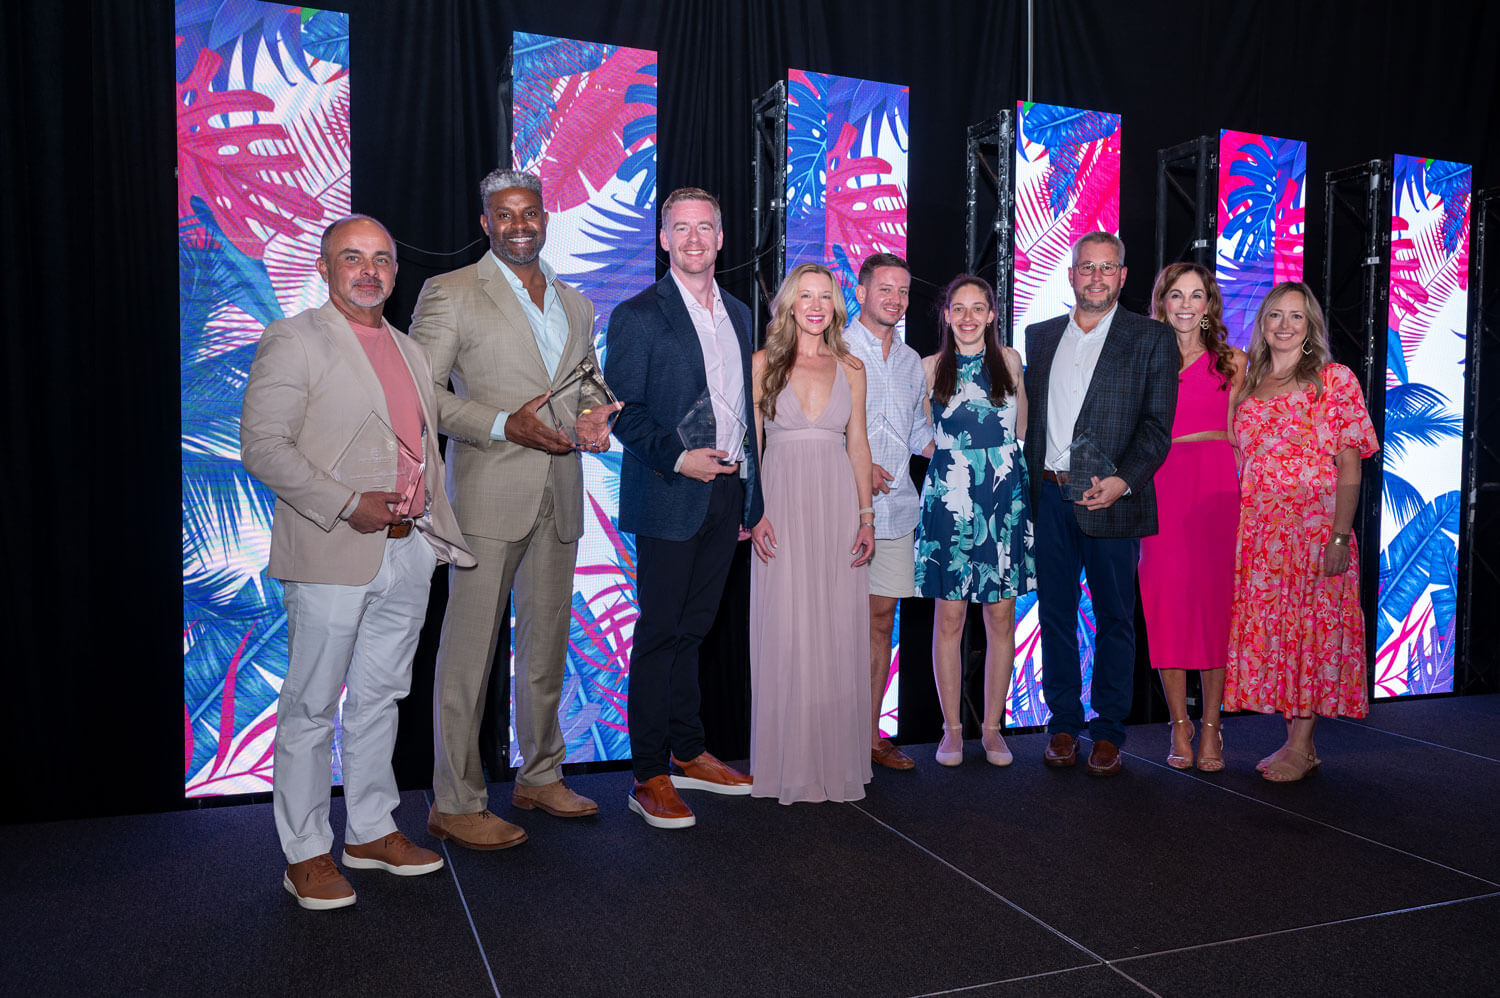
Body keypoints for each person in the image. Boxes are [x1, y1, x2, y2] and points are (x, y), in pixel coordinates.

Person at [241, 214, 475, 909]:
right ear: (325, 267)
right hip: (332, 549)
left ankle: (371, 830)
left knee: (380, 697)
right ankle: (305, 852)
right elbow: (262, 446)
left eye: (381, 260)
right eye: (353, 258)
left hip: (408, 551)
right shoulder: (293, 340)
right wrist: (347, 503)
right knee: (312, 706)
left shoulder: (410, 349)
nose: (368, 271)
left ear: (395, 275)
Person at [410, 169, 619, 849]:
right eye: (505, 215)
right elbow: (423, 396)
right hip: (486, 495)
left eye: (529, 212)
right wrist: (504, 424)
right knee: (469, 655)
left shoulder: (576, 302)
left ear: (545, 217)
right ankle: (455, 799)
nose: (519, 224)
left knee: (546, 646)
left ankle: (540, 774)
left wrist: (595, 416)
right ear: (486, 224)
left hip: (559, 493)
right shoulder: (451, 293)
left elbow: (585, 380)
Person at [605, 187, 765, 828]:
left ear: (721, 237)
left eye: (706, 226)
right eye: (681, 228)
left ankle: (691, 750)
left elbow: (748, 414)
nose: (695, 238)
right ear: (664, 239)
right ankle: (648, 773)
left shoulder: (741, 312)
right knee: (659, 633)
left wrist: (752, 496)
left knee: (696, 631)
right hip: (671, 491)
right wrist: (677, 457)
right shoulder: (639, 314)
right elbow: (623, 412)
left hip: (727, 494)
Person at [1023, 233, 1178, 776]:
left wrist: (1123, 481)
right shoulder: (1038, 337)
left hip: (1113, 498)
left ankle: (1110, 728)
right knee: (1056, 614)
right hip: (1048, 495)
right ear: (1070, 275)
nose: (1095, 277)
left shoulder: (1152, 339)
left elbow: (1158, 429)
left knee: (1115, 618)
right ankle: (1063, 722)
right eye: (1086, 267)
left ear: (1123, 276)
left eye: (1106, 268)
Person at [1225, 282, 1378, 782]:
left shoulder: (1333, 380)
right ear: (1262, 324)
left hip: (1314, 532)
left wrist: (1339, 535)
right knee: (1283, 635)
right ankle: (1296, 742)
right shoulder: (1249, 384)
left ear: (1310, 326)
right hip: (1262, 534)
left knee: (1312, 631)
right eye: (1274, 316)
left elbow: (1350, 466)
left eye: (1296, 316)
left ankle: (1303, 742)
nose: (1284, 326)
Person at [747, 263, 877, 803]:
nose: (817, 304)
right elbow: (751, 447)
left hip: (838, 507)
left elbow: (858, 444)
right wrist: (753, 513)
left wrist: (867, 517)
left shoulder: (851, 365)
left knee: (835, 627)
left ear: (837, 304)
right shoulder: (761, 364)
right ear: (789, 304)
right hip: (780, 507)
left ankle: (834, 762)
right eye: (806, 295)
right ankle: (788, 765)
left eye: (826, 295)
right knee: (786, 625)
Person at [915, 275, 1034, 767]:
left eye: (977, 308)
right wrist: (949, 461)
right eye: (957, 308)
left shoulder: (1009, 361)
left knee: (1001, 616)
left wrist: (996, 468)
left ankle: (992, 730)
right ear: (946, 315)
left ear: (991, 315)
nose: (967, 317)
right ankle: (950, 730)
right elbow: (914, 430)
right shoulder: (927, 368)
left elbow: (1021, 428)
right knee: (951, 616)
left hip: (1003, 497)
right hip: (950, 501)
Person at [1139, 263, 1245, 772]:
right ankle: (1178, 724)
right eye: (1176, 295)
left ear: (1209, 305)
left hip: (1217, 490)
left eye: (1196, 295)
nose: (1185, 305)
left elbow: (1243, 440)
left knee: (1213, 608)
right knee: (1166, 605)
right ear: (1162, 302)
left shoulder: (1234, 362)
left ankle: (1212, 728)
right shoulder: (1143, 359)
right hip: (1159, 487)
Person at [843, 253, 934, 771]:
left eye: (903, 291)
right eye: (886, 289)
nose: (896, 299)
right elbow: (818, 425)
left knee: (882, 622)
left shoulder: (910, 361)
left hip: (898, 512)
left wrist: (966, 448)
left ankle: (869, 735)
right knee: (835, 623)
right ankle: (830, 735)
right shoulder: (835, 349)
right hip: (840, 510)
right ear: (861, 292)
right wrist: (858, 466)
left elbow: (918, 434)